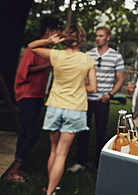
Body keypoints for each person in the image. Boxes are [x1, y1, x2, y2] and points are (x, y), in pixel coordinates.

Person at [28, 25, 97, 195]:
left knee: (53, 150)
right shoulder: (87, 60)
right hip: (75, 109)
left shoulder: (55, 55)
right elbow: (93, 88)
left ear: (65, 39)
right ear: (81, 40)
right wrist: (79, 87)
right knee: (61, 154)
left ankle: (49, 186)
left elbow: (31, 46)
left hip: (54, 106)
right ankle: (50, 191)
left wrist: (49, 41)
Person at [6, 16, 61, 183]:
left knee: (25, 132)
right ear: (48, 32)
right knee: (33, 133)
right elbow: (26, 71)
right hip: (26, 94)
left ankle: (17, 167)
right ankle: (14, 171)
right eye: (56, 32)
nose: (57, 36)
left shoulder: (46, 49)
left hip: (37, 95)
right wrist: (49, 65)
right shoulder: (35, 48)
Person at [68, 26, 125, 172]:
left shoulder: (116, 56)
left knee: (101, 132)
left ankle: (99, 164)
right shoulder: (88, 54)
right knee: (83, 131)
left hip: (102, 100)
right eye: (96, 36)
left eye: (101, 36)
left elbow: (120, 79)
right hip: (86, 99)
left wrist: (110, 95)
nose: (98, 38)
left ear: (108, 38)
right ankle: (80, 162)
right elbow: (81, 75)